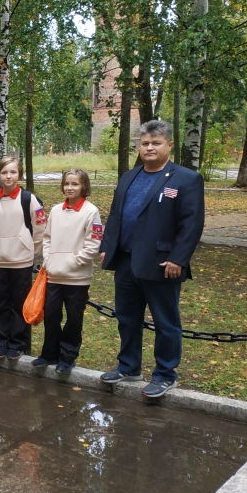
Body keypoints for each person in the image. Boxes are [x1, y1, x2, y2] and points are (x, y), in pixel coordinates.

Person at [98, 119, 205, 398]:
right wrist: (107, 247)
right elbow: (116, 215)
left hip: (162, 264)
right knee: (127, 318)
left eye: (156, 143)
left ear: (169, 145)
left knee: (165, 322)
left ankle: (165, 374)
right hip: (126, 261)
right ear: (138, 146)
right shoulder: (129, 176)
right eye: (145, 143)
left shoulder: (186, 179)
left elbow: (191, 224)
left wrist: (178, 259)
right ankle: (129, 366)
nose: (149, 147)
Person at [33, 169, 102, 374]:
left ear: (84, 187)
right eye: (66, 184)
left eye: (75, 184)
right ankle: (49, 353)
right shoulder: (55, 210)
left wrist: (73, 262)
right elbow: (47, 237)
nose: (70, 188)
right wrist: (48, 258)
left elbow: (93, 244)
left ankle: (68, 356)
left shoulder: (91, 212)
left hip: (77, 277)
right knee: (52, 316)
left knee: (74, 318)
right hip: (53, 274)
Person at [0, 156, 45, 360]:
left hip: (22, 261)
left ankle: (18, 344)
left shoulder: (29, 199)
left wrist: (30, 250)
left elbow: (39, 229)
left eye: (12, 172)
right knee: (0, 303)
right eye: (4, 172)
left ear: (19, 174)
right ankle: (2, 342)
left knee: (19, 303)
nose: (8, 176)